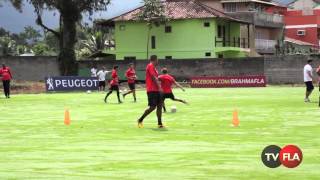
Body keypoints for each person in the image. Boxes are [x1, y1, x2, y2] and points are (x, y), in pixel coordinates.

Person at [137, 55, 164, 128]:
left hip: (157, 90)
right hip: (152, 90)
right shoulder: (150, 66)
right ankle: (140, 119)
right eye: (157, 60)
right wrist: (159, 87)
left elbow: (156, 78)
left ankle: (160, 124)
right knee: (152, 107)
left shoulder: (154, 68)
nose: (158, 61)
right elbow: (153, 77)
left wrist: (160, 85)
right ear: (154, 59)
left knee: (160, 106)